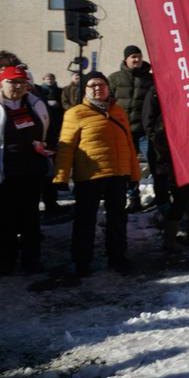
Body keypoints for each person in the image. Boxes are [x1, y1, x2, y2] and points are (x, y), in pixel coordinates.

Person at [54, 71, 141, 276]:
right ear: (85, 89)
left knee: (118, 218)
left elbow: (129, 144)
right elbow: (66, 148)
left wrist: (134, 173)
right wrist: (61, 176)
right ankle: (82, 260)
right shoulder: (75, 113)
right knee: (85, 219)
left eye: (101, 84)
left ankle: (117, 256)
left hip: (118, 173)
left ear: (108, 88)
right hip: (90, 175)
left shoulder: (118, 112)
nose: (97, 88)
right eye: (92, 85)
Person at [143, 87, 189, 252]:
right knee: (181, 199)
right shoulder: (166, 109)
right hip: (179, 161)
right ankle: (170, 240)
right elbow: (156, 133)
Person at [0, 65, 50, 274]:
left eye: (21, 82)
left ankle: (31, 260)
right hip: (5, 173)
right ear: (2, 83)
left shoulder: (35, 104)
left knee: (31, 218)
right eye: (12, 82)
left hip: (31, 171)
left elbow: (48, 131)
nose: (18, 86)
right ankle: (6, 261)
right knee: (5, 219)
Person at [108, 45, 156, 212]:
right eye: (133, 57)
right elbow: (107, 103)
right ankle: (132, 197)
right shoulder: (114, 79)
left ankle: (160, 196)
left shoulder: (150, 79)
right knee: (128, 167)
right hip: (123, 131)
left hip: (144, 132)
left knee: (155, 162)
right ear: (126, 59)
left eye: (139, 56)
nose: (136, 60)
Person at [35, 73, 64, 216]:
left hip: (48, 140)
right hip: (32, 145)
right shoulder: (37, 95)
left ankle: (51, 203)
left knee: (49, 173)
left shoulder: (35, 99)